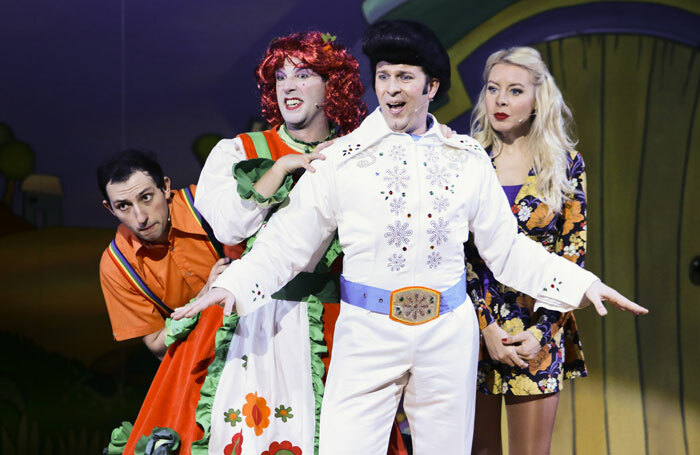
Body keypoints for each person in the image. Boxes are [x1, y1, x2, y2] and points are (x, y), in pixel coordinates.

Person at [176, 20, 647, 455]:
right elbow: (286, 243)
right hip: (369, 331)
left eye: (404, 76)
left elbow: (506, 250)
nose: (391, 88)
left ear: (431, 87)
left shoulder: (466, 157)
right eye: (383, 76)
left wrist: (581, 284)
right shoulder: (342, 158)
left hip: (447, 335)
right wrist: (232, 284)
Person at [105, 32, 407, 455]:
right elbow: (229, 227)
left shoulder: (358, 151)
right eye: (280, 77)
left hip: (337, 321)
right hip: (252, 318)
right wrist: (281, 167)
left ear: (331, 85)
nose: (288, 86)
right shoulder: (238, 151)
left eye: (303, 75)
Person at [464, 46, 591, 455]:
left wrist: (540, 332)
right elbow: (455, 256)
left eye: (514, 90)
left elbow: (572, 255)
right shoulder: (467, 162)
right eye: (492, 88)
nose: (500, 100)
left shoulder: (565, 166)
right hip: (473, 329)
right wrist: (486, 328)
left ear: (538, 100)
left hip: (539, 331)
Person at [98, 150, 231, 359]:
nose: (140, 217)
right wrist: (205, 295)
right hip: (201, 359)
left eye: (146, 197)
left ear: (166, 187)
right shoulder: (116, 266)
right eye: (123, 206)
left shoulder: (207, 204)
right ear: (110, 209)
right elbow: (157, 345)